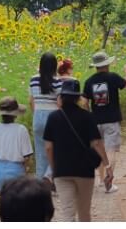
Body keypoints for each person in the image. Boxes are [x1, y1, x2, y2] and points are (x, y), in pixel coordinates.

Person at [43, 79, 112, 221]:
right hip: (84, 171)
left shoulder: (53, 117)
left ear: (61, 97)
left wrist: (54, 169)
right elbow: (97, 143)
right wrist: (107, 165)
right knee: (84, 212)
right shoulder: (87, 117)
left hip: (62, 171)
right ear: (77, 97)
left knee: (67, 213)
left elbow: (48, 147)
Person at [82, 51, 126, 192]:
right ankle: (109, 182)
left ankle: (100, 179)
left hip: (95, 120)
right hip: (112, 120)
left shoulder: (89, 81)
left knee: (99, 149)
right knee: (111, 150)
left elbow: (84, 101)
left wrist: (89, 114)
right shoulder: (113, 77)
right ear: (107, 64)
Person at [0, 96, 34, 192]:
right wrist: (25, 167)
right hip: (16, 170)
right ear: (16, 114)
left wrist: (0, 164)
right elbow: (27, 157)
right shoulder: (21, 130)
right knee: (18, 202)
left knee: (4, 202)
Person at [29, 52, 63, 184]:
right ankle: (49, 176)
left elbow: (31, 101)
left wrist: (36, 113)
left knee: (40, 151)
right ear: (54, 66)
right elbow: (60, 103)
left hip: (37, 115)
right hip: (53, 116)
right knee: (57, 149)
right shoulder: (57, 81)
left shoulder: (33, 80)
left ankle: (39, 182)